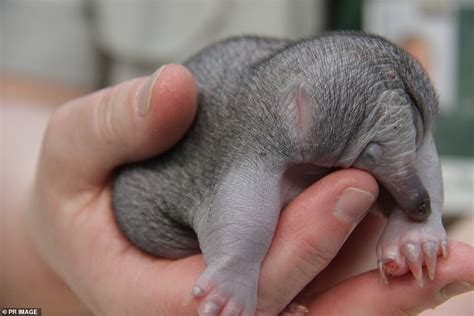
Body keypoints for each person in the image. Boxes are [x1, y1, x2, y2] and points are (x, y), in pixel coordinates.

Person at [3, 64, 473, 315]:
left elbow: (414, 154)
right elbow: (16, 101)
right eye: (372, 154)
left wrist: (420, 223)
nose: (413, 191)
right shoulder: (277, 130)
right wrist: (45, 242)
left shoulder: (387, 104)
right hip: (157, 207)